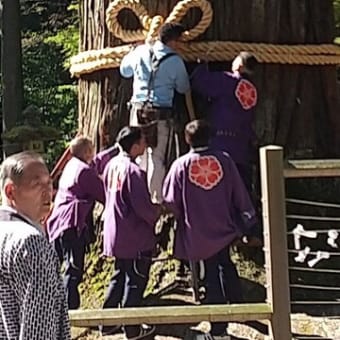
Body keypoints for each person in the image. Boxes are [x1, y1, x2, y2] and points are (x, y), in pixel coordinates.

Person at [163, 120, 260, 339]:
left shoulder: (180, 165)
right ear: (211, 137)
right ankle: (239, 308)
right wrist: (247, 219)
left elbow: (170, 200)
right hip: (224, 226)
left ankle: (218, 330)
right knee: (226, 265)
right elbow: (239, 193)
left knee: (212, 276)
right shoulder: (224, 160)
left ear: (187, 139)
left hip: (197, 230)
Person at [120, 22, 195, 203]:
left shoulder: (139, 52)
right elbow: (183, 87)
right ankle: (155, 199)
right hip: (160, 114)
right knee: (157, 156)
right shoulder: (175, 61)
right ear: (173, 41)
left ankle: (137, 195)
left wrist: (132, 52)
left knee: (137, 153)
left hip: (137, 110)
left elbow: (124, 71)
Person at [0, 151, 70, 340]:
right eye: (36, 184)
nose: (48, 192)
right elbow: (39, 330)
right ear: (10, 191)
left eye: (49, 183)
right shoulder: (30, 243)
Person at [101, 126, 161, 338]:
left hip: (114, 231)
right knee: (135, 280)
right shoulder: (134, 172)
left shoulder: (111, 165)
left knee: (119, 276)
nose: (145, 144)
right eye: (143, 141)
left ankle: (107, 322)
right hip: (133, 234)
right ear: (135, 145)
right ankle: (132, 328)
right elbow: (142, 207)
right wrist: (157, 212)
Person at [47, 136, 105, 309]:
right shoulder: (84, 171)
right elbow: (102, 193)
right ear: (87, 151)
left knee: (60, 266)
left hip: (59, 221)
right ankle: (67, 309)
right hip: (71, 222)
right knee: (73, 269)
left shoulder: (71, 165)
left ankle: (57, 304)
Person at [191, 51, 258, 194]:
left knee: (221, 189)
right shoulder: (253, 90)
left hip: (221, 143)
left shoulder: (228, 81)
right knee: (240, 190)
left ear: (239, 65)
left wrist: (201, 64)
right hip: (242, 147)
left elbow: (200, 83)